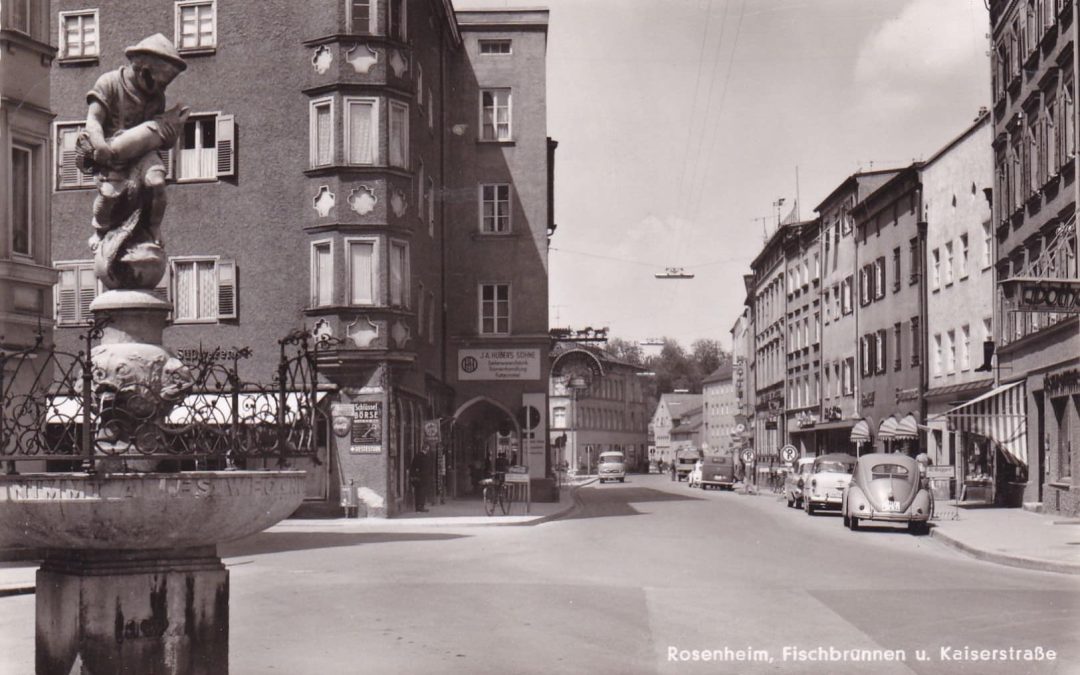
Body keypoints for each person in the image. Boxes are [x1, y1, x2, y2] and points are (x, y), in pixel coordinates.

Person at [76, 33, 189, 289]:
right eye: (158, 81)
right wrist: (101, 145)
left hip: (142, 152)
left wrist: (171, 132)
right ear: (142, 69)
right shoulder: (109, 82)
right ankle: (100, 231)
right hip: (111, 152)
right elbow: (93, 120)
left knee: (157, 184)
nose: (161, 89)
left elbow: (159, 139)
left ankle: (153, 230)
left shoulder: (156, 97)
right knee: (110, 197)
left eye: (165, 84)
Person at [409, 447, 431, 512]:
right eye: (427, 448)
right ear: (426, 449)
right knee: (422, 492)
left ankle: (418, 506)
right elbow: (423, 468)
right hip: (422, 478)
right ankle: (421, 506)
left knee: (418, 492)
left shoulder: (417, 456)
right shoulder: (423, 457)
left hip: (418, 478)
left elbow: (414, 467)